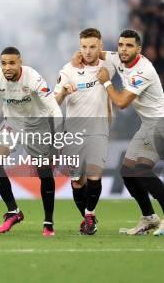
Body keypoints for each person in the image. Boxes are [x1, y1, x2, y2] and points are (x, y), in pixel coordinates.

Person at [95, 30, 164, 236]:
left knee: (142, 168)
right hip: (148, 125)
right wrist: (80, 55)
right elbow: (98, 53)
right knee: (127, 172)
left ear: (139, 49)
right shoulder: (118, 58)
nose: (124, 49)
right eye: (121, 45)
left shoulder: (143, 70)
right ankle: (149, 218)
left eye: (129, 46)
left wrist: (107, 81)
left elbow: (122, 103)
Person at [0, 47, 62, 236]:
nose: (7, 67)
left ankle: (48, 222)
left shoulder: (33, 78)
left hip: (36, 125)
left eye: (12, 63)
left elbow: (54, 108)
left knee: (44, 172)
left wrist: (59, 135)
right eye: (3, 63)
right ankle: (13, 211)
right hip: (11, 124)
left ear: (20, 62)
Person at [54, 28, 113, 235]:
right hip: (73, 134)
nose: (87, 51)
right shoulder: (68, 70)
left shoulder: (108, 66)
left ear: (101, 46)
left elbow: (130, 57)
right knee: (78, 182)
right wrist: (63, 91)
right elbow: (54, 103)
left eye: (92, 47)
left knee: (94, 176)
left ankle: (89, 214)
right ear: (80, 47)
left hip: (98, 131)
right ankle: (88, 218)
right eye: (84, 47)